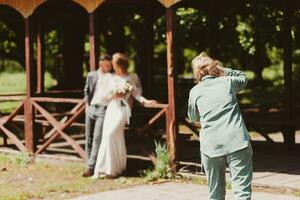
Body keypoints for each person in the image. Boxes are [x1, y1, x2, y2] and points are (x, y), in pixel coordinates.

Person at [188, 52, 253, 200]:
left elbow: (193, 117)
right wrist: (223, 71)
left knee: (215, 194)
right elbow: (243, 77)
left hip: (211, 146)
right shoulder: (228, 82)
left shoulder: (194, 92)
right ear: (214, 67)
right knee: (242, 193)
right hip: (236, 141)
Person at [92, 52, 157, 178]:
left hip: (123, 110)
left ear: (120, 65)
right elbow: (105, 95)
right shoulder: (111, 77)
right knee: (108, 136)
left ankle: (112, 169)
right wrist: (114, 95)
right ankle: (105, 169)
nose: (114, 67)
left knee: (111, 135)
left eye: (115, 65)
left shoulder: (131, 77)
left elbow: (136, 94)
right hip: (112, 108)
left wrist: (146, 101)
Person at [82, 54, 113, 177]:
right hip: (91, 108)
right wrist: (86, 107)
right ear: (101, 64)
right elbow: (86, 91)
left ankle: (90, 167)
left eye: (110, 65)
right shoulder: (91, 75)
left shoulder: (112, 77)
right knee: (88, 138)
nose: (109, 67)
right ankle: (89, 164)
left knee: (97, 138)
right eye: (106, 65)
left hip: (103, 109)